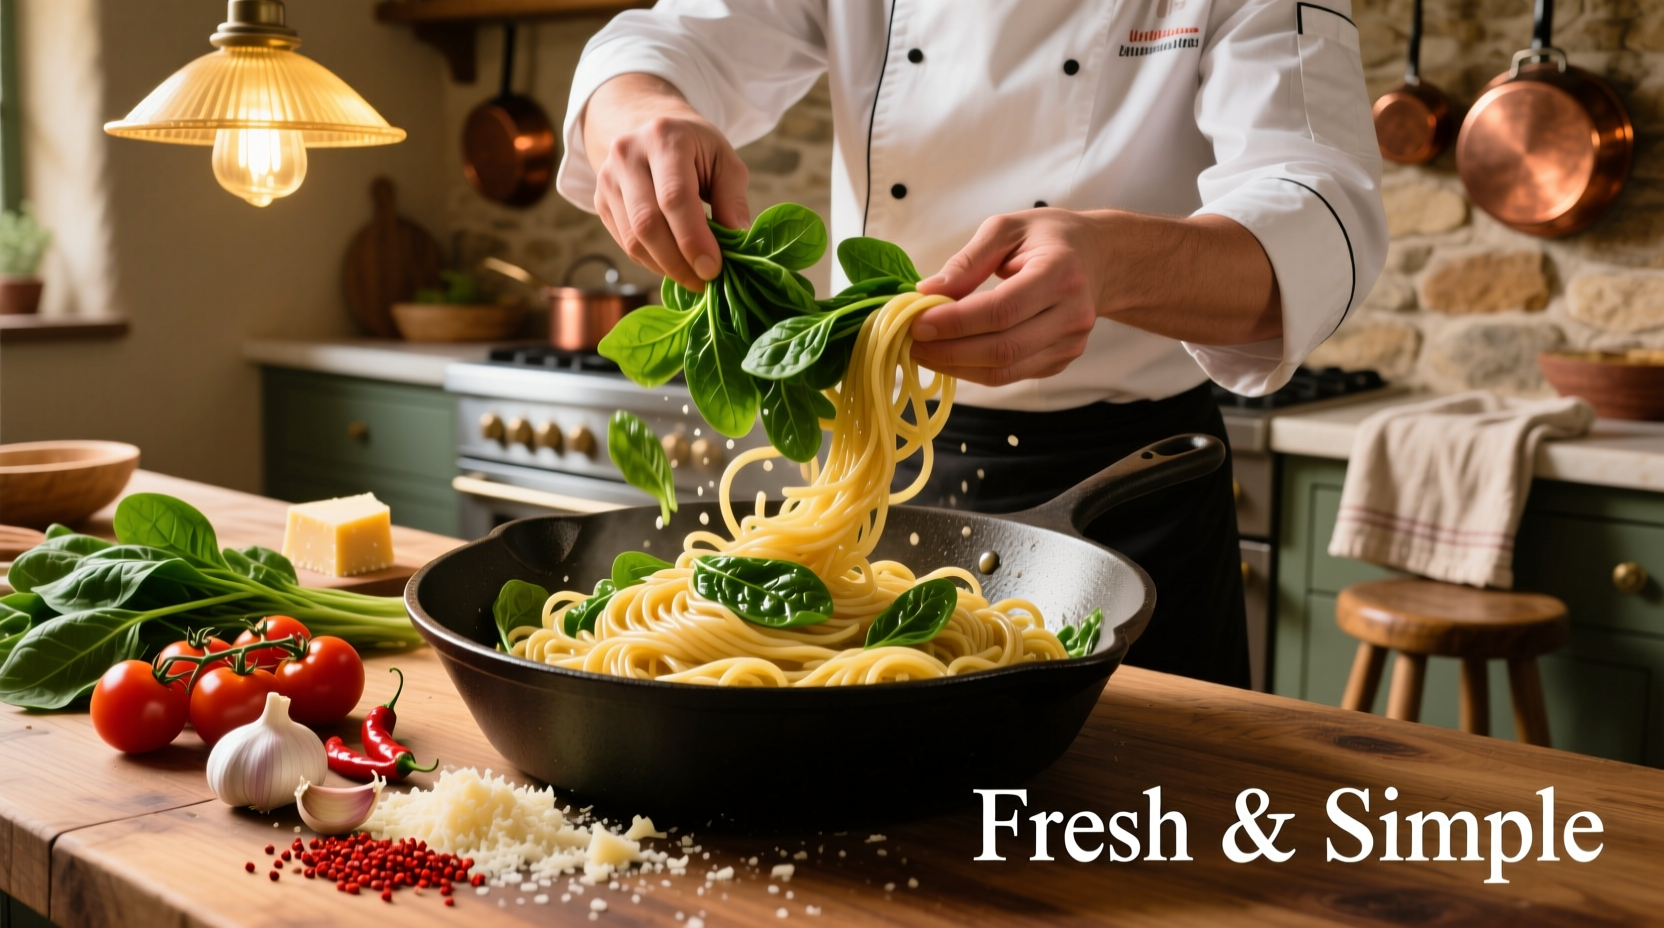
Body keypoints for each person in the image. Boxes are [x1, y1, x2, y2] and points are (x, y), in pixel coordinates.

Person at [554, 1, 1387, 687]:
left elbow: (1322, 211)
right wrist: (638, 108)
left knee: (1136, 831)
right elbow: (670, 38)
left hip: (1131, 492)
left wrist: (1112, 264)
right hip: (884, 489)